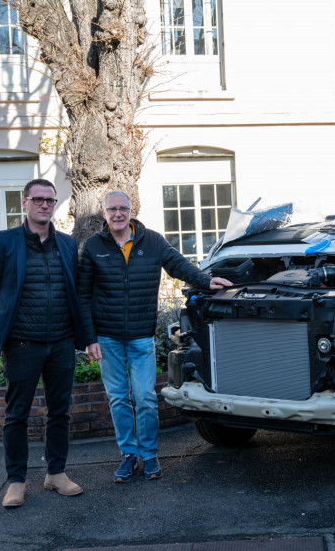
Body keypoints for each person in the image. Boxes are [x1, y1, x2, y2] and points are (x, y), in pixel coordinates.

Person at [77, 191, 232, 483]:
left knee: (146, 398)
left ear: (131, 210)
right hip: (107, 337)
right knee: (118, 399)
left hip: (140, 336)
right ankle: (128, 455)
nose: (118, 214)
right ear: (104, 212)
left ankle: (149, 455)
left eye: (123, 208)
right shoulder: (93, 246)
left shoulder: (152, 241)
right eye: (112, 209)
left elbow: (179, 266)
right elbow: (82, 295)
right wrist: (89, 338)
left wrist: (206, 280)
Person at [0, 178, 86, 508]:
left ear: (54, 204)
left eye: (49, 200)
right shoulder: (3, 241)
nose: (44, 205)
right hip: (23, 344)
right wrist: (10, 321)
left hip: (61, 342)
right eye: (37, 199)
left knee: (59, 412)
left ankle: (56, 473)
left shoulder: (67, 243)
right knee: (17, 414)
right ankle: (16, 481)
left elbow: (74, 288)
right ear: (24, 202)